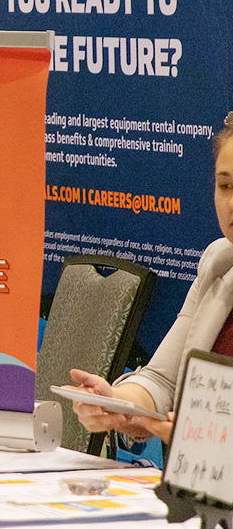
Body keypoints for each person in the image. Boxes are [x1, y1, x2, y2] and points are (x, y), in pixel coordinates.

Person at [66, 113, 233, 445]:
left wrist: (213, 441)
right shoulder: (219, 262)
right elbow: (163, 382)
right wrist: (117, 403)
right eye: (225, 185)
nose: (231, 204)